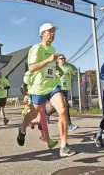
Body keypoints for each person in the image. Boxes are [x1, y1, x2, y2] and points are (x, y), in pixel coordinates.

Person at [17, 23, 76, 157]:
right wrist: (48, 60)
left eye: (54, 31)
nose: (53, 34)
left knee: (62, 109)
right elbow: (31, 68)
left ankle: (64, 146)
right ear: (42, 33)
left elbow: (51, 67)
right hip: (39, 87)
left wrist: (58, 69)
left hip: (53, 85)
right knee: (33, 114)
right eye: (50, 31)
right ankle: (22, 129)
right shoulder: (36, 48)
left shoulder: (53, 48)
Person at [21, 71, 58, 149]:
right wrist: (26, 94)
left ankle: (34, 124)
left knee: (42, 121)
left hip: (42, 101)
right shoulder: (30, 73)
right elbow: (23, 87)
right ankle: (49, 141)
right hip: (34, 102)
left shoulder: (43, 72)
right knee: (43, 120)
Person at [47, 54, 79, 131]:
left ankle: (47, 114)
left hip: (66, 88)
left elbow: (74, 74)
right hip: (58, 89)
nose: (63, 60)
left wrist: (71, 73)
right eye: (61, 59)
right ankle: (70, 125)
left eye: (64, 58)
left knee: (61, 106)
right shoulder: (56, 68)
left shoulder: (69, 67)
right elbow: (52, 77)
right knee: (66, 106)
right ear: (57, 60)